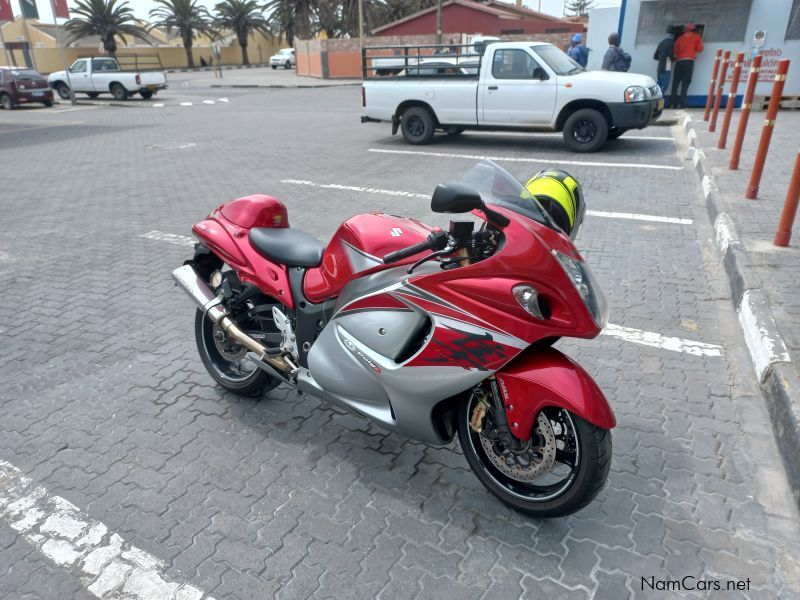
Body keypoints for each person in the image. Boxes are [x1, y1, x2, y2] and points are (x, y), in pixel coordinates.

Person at [670, 23, 704, 108]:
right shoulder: (697, 37)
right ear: (694, 29)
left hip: (679, 62)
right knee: (685, 83)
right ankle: (682, 104)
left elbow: (675, 51)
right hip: (689, 61)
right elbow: (700, 49)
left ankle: (672, 104)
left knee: (675, 83)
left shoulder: (679, 38)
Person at [653, 26, 674, 96]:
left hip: (659, 68)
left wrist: (662, 58)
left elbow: (655, 56)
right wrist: (674, 59)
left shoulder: (661, 43)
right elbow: (671, 55)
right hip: (666, 68)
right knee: (665, 85)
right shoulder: (671, 42)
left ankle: (654, 98)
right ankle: (659, 99)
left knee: (659, 85)